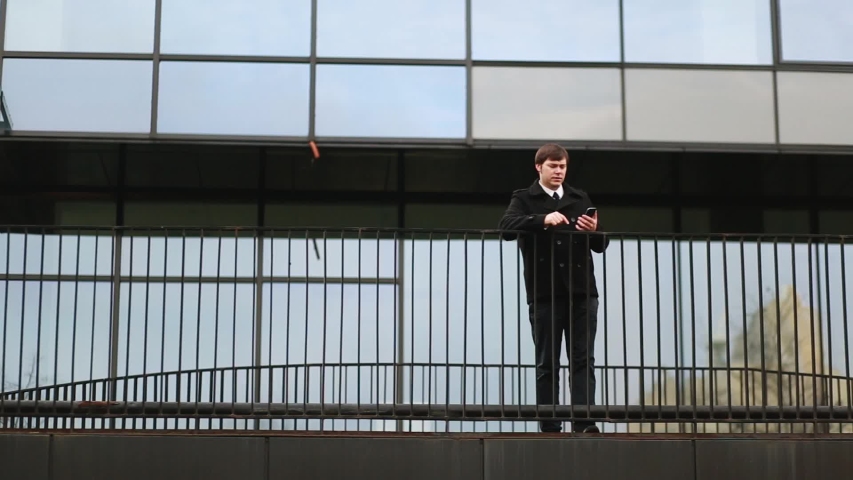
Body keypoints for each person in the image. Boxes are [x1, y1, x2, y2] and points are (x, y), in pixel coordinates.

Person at [499, 143, 609, 433]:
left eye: (562, 166)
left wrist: (594, 231)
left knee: (582, 360)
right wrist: (542, 220)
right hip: (545, 292)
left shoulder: (579, 198)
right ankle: (549, 424)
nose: (559, 171)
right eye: (553, 166)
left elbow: (601, 245)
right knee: (547, 362)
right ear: (539, 167)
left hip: (582, 292)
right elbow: (506, 227)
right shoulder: (524, 198)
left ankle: (584, 422)